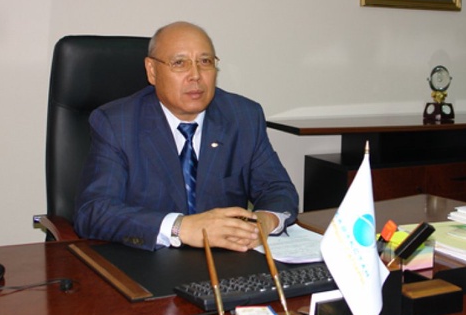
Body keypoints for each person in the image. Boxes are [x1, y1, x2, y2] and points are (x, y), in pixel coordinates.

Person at [74, 21, 299, 252]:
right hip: (148, 260)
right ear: (152, 71)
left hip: (226, 261)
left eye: (205, 62)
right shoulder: (117, 124)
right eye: (180, 63)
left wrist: (264, 220)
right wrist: (180, 227)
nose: (196, 75)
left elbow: (277, 189)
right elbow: (94, 212)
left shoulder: (243, 117)